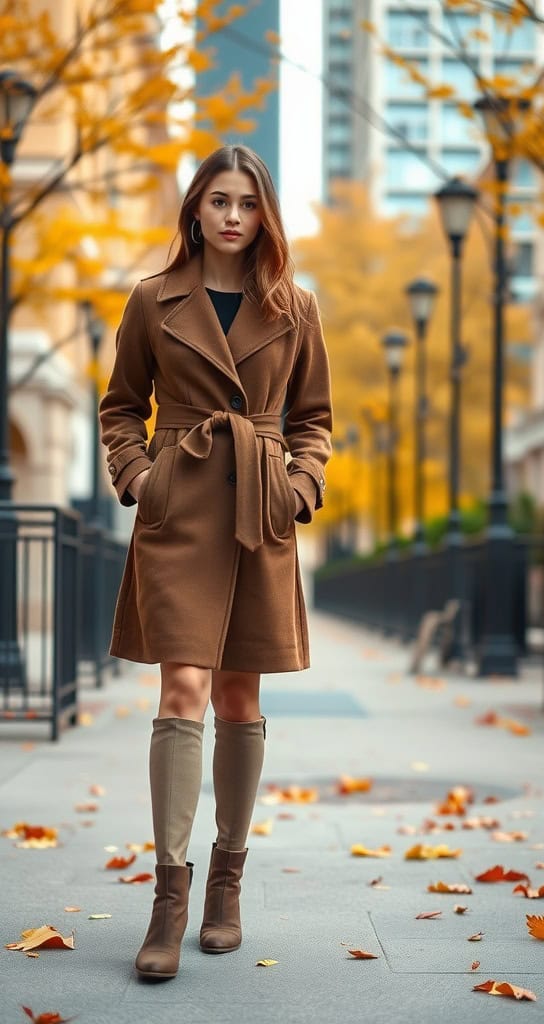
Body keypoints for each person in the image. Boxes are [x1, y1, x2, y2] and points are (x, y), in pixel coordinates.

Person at [99, 143, 332, 981]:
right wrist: (138, 476)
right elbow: (121, 406)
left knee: (238, 692)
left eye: (247, 202)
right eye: (218, 200)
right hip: (182, 508)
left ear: (263, 214)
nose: (233, 215)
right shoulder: (150, 300)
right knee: (183, 686)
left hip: (260, 513)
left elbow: (313, 419)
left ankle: (226, 883)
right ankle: (169, 896)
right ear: (194, 209)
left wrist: (298, 487)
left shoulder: (295, 307)